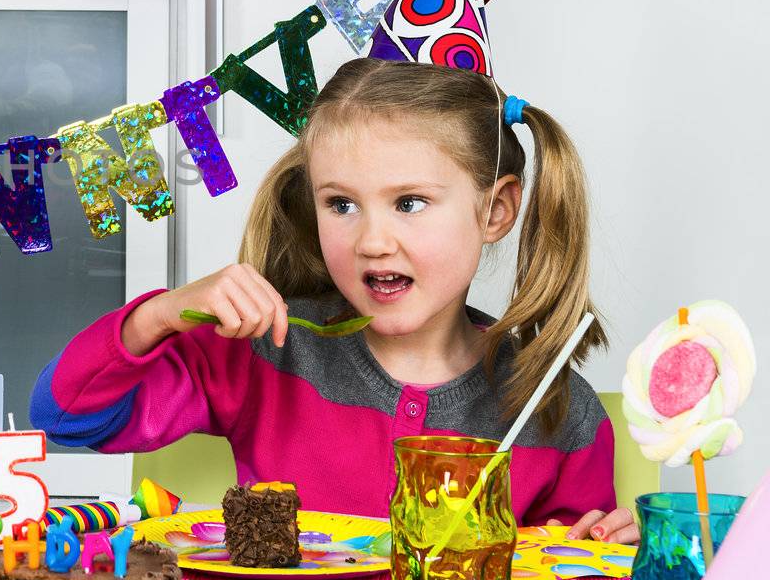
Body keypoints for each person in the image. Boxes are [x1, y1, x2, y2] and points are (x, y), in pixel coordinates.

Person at [31, 58, 634, 542]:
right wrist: (162, 314)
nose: (372, 241)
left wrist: (602, 543)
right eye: (341, 204)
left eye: (409, 203)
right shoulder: (267, 350)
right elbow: (64, 414)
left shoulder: (558, 412)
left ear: (495, 210)